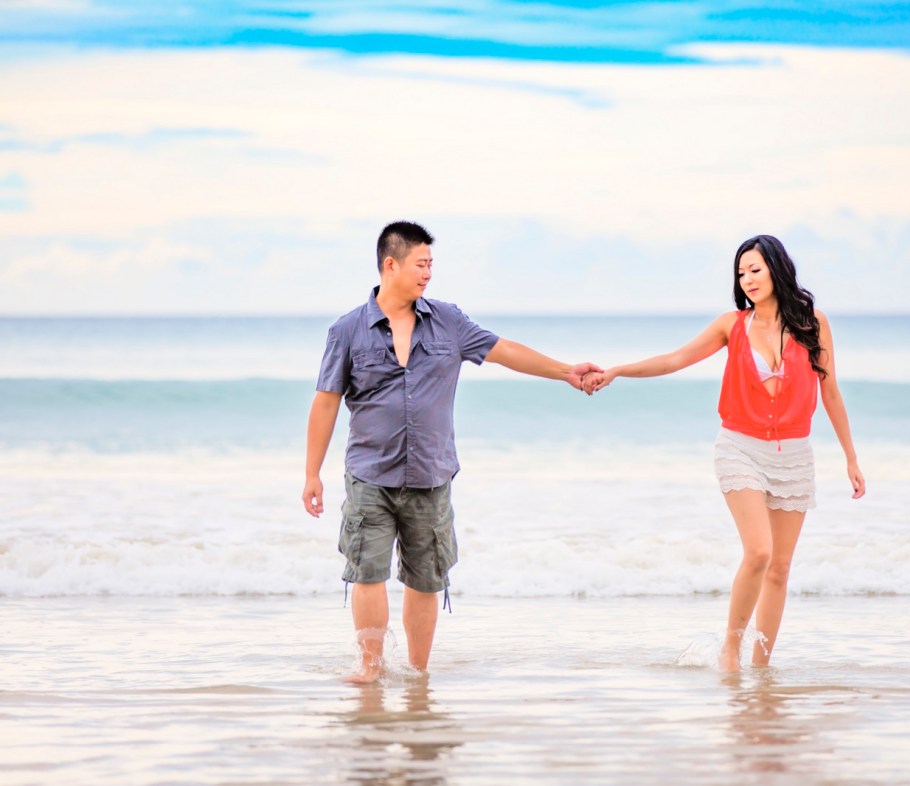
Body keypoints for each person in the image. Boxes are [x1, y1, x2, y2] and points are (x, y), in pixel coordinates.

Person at [302, 221, 601, 682]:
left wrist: (565, 371)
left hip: (430, 473)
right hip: (369, 473)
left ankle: (418, 672)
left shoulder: (448, 321)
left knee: (426, 579)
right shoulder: (347, 331)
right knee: (366, 572)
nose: (428, 274)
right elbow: (325, 401)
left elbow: (505, 351)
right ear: (390, 264)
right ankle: (370, 669)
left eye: (431, 265)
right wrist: (312, 474)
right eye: (420, 264)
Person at [582, 234, 864, 672]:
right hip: (740, 448)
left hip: (794, 454)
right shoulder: (732, 325)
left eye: (755, 269)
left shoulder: (813, 322)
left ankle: (761, 664)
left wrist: (850, 456)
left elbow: (830, 390)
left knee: (781, 567)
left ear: (777, 268)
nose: (747, 279)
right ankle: (730, 649)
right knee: (759, 553)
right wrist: (619, 370)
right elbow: (676, 359)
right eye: (740, 273)